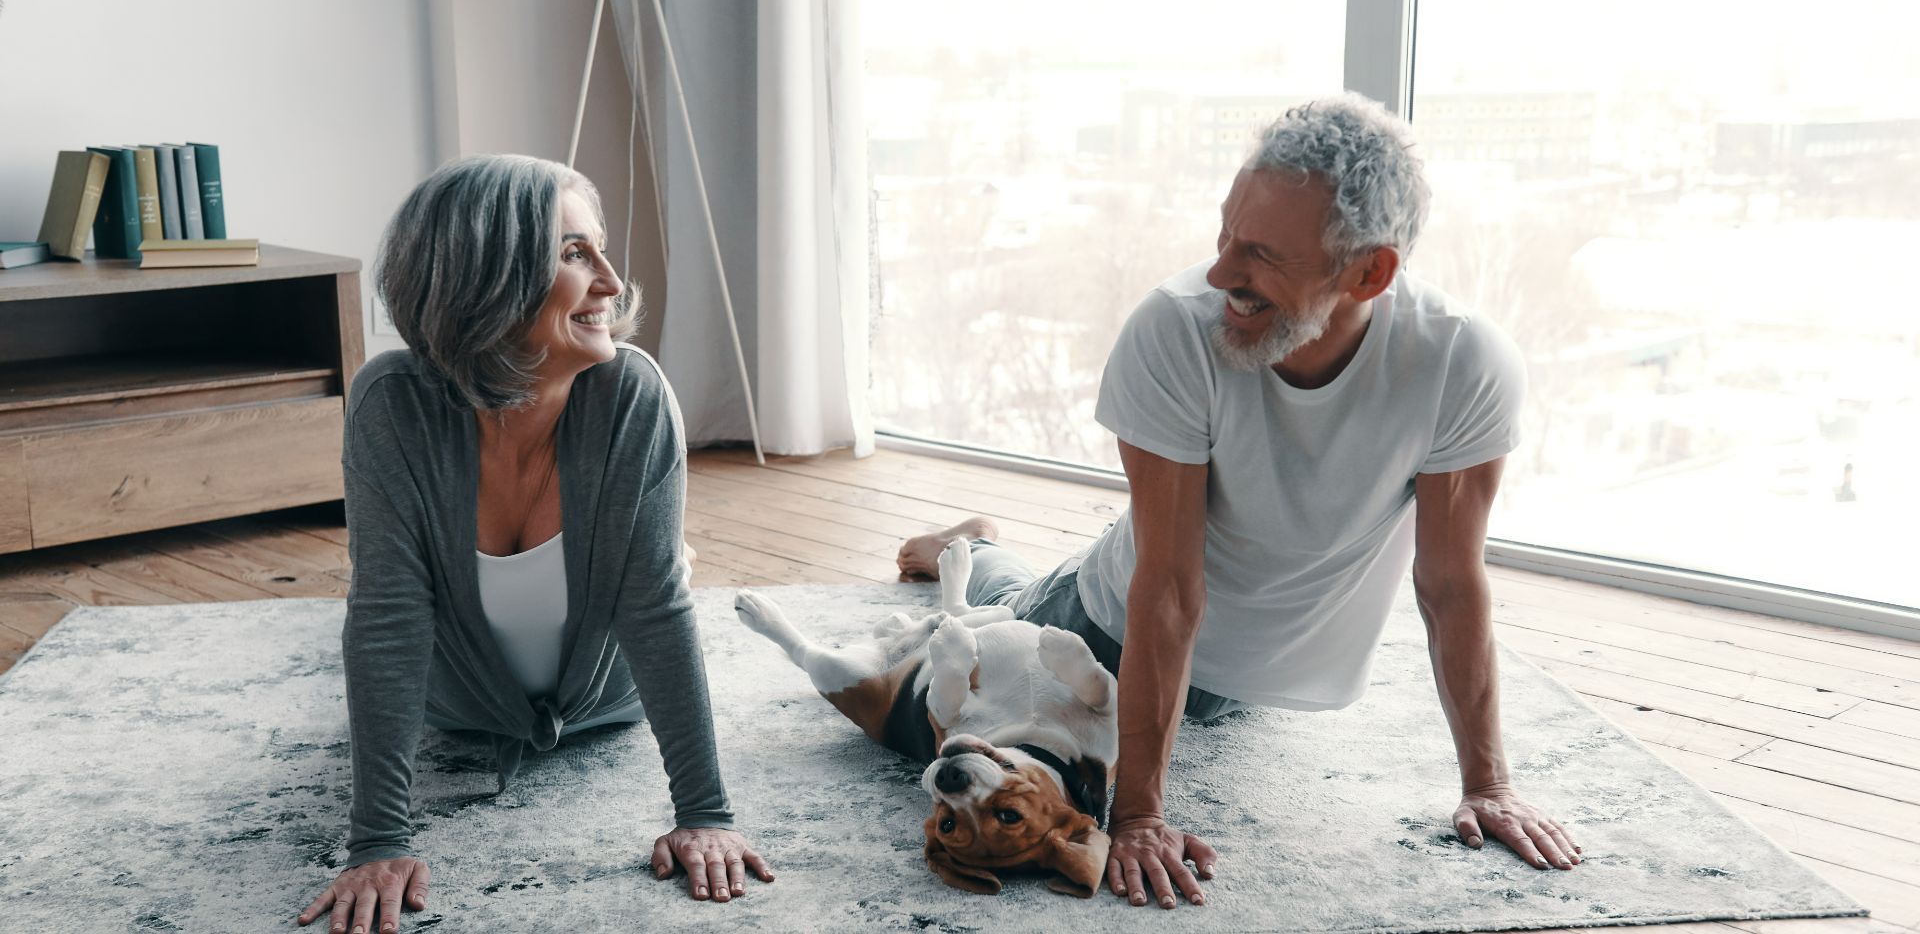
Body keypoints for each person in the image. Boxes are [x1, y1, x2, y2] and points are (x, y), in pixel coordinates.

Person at [896, 94, 1580, 912]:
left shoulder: (1461, 361)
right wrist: (1140, 813)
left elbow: (1450, 582)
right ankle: (958, 552)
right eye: (1224, 237)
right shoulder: (1174, 331)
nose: (1222, 273)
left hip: (1242, 668)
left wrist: (1488, 783)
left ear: (1370, 271)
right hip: (1107, 629)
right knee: (931, 708)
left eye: (1259, 254)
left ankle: (977, 547)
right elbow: (1171, 583)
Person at [298, 155, 772, 934]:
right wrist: (378, 840)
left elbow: (654, 611)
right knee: (361, 615)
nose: (613, 282)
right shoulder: (393, 405)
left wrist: (705, 812)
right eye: (573, 253)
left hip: (608, 698)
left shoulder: (634, 395)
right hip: (456, 705)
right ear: (485, 278)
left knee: (665, 570)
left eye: (601, 249)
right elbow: (387, 618)